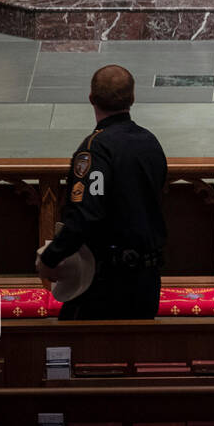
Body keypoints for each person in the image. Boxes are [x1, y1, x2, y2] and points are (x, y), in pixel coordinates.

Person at [36, 65, 168, 320]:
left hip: (106, 280)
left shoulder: (95, 149)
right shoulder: (150, 142)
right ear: (132, 98)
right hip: (147, 278)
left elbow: (86, 214)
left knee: (86, 352)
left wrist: (51, 258)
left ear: (91, 99)